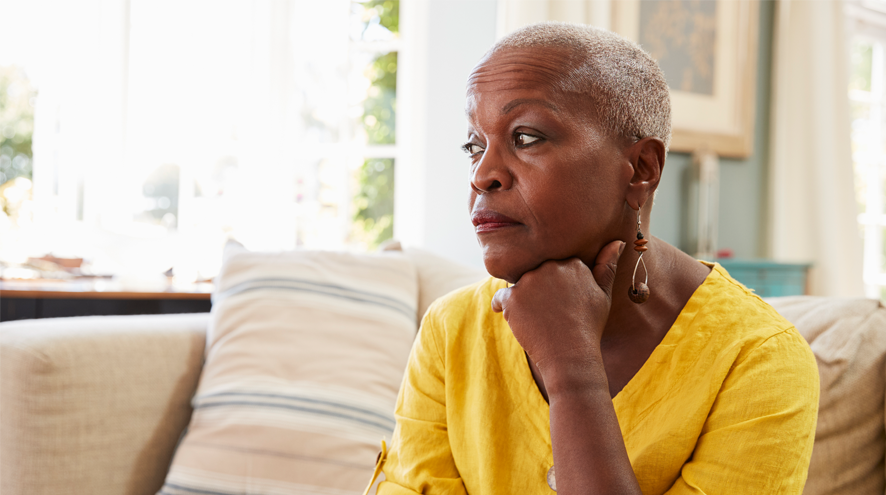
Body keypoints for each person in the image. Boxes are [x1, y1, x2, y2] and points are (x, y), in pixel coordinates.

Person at [370, 22, 819, 494]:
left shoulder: (758, 360)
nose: (482, 175)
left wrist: (573, 374)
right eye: (474, 146)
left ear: (641, 169)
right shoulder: (451, 330)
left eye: (525, 137)